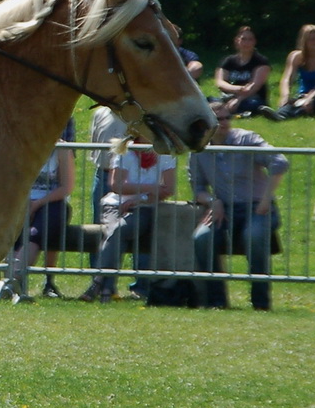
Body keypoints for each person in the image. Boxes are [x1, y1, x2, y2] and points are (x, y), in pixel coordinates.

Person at [190, 101, 289, 311]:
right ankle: (216, 300)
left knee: (253, 236)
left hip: (258, 207)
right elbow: (197, 188)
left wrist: (265, 199)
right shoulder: (199, 149)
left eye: (227, 117)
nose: (225, 123)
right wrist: (212, 201)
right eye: (218, 119)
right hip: (224, 209)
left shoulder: (247, 139)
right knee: (201, 238)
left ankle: (261, 302)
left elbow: (280, 162)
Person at [80, 142, 176, 302]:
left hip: (145, 207)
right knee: (114, 231)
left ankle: (98, 282)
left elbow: (168, 188)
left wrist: (141, 197)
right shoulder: (124, 149)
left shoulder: (164, 152)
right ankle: (106, 289)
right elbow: (116, 185)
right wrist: (152, 187)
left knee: (119, 230)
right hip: (114, 205)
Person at [4, 119, 75, 299]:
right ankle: (10, 282)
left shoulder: (62, 149)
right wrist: (25, 202)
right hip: (23, 201)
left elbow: (66, 187)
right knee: (15, 233)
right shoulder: (23, 147)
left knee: (36, 232)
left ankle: (12, 281)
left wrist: (37, 203)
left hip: (53, 201)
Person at [214, 26, 275, 118]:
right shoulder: (228, 61)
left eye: (250, 40)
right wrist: (238, 89)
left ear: (254, 42)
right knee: (209, 101)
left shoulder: (261, 61)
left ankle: (238, 112)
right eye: (243, 39)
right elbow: (220, 82)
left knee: (252, 104)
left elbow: (255, 86)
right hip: (229, 96)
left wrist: (238, 99)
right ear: (237, 40)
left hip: (252, 97)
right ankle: (235, 112)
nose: (246, 43)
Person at [276, 24, 315, 119]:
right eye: (312, 39)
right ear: (304, 41)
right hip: (303, 94)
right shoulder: (296, 56)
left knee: (306, 105)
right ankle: (280, 113)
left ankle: (287, 116)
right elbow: (287, 79)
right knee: (293, 102)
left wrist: (310, 98)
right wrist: (285, 96)